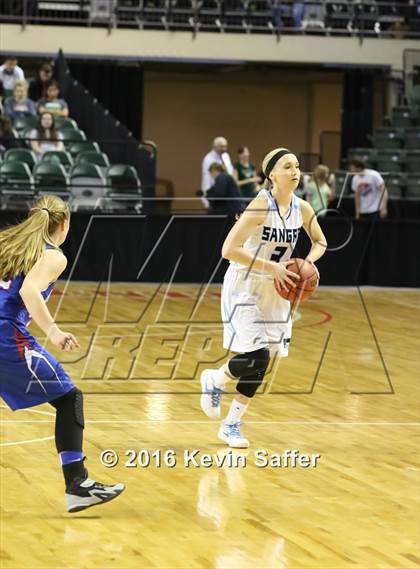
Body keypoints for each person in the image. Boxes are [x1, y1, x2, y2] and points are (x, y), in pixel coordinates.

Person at [0, 195, 125, 512]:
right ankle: (78, 484)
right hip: (7, 337)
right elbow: (29, 291)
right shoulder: (53, 256)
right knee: (70, 398)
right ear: (65, 224)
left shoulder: (9, 244)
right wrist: (54, 331)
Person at [199, 147, 327, 448]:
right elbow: (229, 249)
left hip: (277, 288)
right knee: (257, 355)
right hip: (246, 283)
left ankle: (231, 424)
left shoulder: (303, 208)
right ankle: (214, 380)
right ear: (272, 174)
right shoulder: (261, 205)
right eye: (287, 166)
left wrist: (308, 263)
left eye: (297, 166)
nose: (295, 171)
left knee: (263, 361)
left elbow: (321, 241)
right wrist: (271, 266)